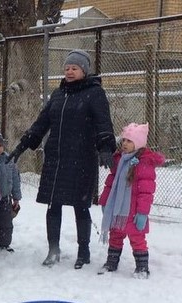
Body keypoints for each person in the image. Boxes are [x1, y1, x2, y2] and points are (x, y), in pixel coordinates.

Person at [9, 49, 116, 269]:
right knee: (53, 205)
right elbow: (41, 123)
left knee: (81, 206)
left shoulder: (94, 93)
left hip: (81, 159)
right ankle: (53, 249)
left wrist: (106, 147)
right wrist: (23, 145)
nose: (69, 72)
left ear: (84, 71)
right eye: (67, 68)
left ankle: (83, 251)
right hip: (56, 160)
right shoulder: (58, 95)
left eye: (74, 68)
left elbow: (103, 123)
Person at [98, 123, 163, 278]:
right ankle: (112, 262)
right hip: (117, 210)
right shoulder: (119, 159)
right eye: (124, 140)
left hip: (133, 212)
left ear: (138, 143)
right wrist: (105, 201)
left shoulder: (144, 163)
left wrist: (142, 213)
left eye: (129, 141)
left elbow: (146, 192)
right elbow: (111, 183)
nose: (124, 144)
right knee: (115, 235)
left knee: (137, 238)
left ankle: (142, 267)